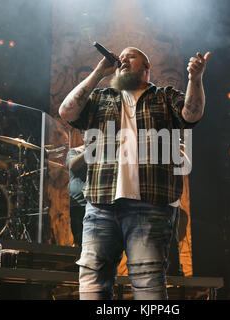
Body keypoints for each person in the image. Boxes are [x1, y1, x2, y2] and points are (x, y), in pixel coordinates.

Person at [59, 47, 210, 299]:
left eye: (130, 56)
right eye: (120, 57)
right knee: (92, 283)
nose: (122, 59)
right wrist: (99, 72)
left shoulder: (164, 96)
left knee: (148, 284)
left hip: (150, 206)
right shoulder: (101, 97)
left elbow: (191, 114)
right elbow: (66, 111)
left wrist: (195, 79)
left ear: (146, 66)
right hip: (100, 205)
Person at [66, 142, 87, 247]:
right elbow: (72, 165)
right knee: (79, 241)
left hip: (95, 203)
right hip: (78, 204)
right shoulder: (75, 151)